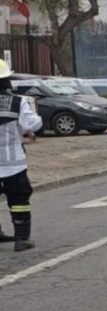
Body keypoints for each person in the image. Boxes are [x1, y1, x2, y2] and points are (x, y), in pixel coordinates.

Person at [0, 59, 42, 252]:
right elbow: (31, 126)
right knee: (19, 200)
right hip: (12, 163)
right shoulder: (17, 102)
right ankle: (21, 239)